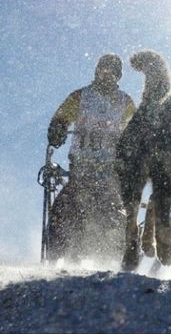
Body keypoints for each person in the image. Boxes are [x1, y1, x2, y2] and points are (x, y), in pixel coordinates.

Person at [46, 53, 136, 264]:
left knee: (113, 210)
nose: (108, 75)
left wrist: (134, 146)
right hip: (82, 164)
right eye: (104, 70)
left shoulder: (125, 102)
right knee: (66, 206)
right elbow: (62, 117)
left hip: (111, 167)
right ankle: (56, 252)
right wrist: (58, 128)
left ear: (118, 76)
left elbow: (135, 129)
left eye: (113, 72)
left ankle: (115, 255)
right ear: (97, 71)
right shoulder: (81, 97)